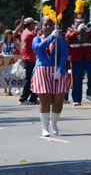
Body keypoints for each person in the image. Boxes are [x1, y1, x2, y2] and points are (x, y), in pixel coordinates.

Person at [32, 7, 71, 137]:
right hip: (42, 71)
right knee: (45, 100)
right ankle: (44, 127)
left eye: (50, 25)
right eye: (45, 25)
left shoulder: (60, 40)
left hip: (57, 72)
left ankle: (53, 123)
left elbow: (64, 56)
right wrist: (50, 38)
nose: (48, 27)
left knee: (58, 101)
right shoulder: (36, 39)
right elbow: (38, 49)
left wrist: (60, 71)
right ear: (40, 27)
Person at [66, 0, 91, 105]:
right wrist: (77, 31)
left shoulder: (87, 29)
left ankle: (90, 94)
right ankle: (76, 99)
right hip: (76, 56)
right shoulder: (70, 30)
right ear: (74, 22)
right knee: (76, 78)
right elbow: (68, 38)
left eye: (82, 21)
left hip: (88, 56)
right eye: (78, 21)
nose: (80, 23)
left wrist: (89, 30)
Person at [18, 16, 39, 105]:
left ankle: (33, 97)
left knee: (33, 79)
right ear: (30, 24)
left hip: (27, 57)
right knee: (29, 79)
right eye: (33, 24)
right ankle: (23, 98)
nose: (35, 25)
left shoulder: (24, 33)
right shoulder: (30, 35)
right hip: (30, 59)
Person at [0, 29, 19, 96]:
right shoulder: (2, 42)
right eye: (9, 33)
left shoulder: (13, 42)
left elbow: (19, 48)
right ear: (6, 34)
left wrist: (20, 55)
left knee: (11, 74)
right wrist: (0, 54)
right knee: (5, 74)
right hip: (4, 59)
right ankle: (5, 90)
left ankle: (10, 90)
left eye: (11, 33)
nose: (10, 35)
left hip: (11, 59)